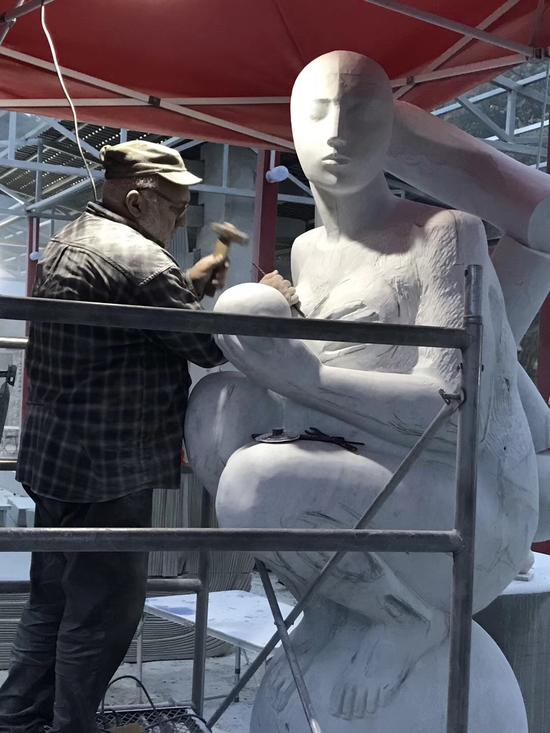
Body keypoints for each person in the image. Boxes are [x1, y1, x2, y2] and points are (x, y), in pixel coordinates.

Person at [185, 52, 535, 731]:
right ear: (293, 127)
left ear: (392, 130)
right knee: (216, 409)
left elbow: (452, 411)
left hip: (461, 497)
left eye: (363, 112)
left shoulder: (445, 234)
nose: (339, 132)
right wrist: (260, 364)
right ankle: (333, 600)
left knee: (256, 479)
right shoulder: (308, 251)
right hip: (362, 480)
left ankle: (406, 620)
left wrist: (302, 376)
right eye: (319, 112)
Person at [0, 139, 295, 733]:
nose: (181, 221)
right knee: (103, 614)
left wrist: (188, 286)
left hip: (56, 461)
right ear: (137, 201)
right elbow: (207, 345)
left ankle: (18, 720)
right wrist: (272, 305)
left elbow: (130, 315)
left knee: (52, 602)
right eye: (176, 209)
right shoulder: (142, 261)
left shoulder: (71, 239)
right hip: (107, 471)